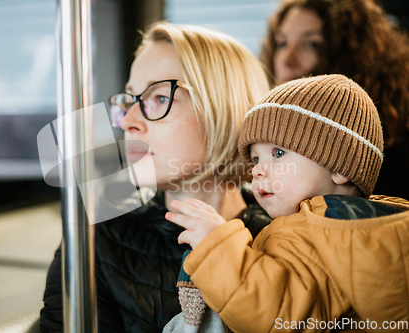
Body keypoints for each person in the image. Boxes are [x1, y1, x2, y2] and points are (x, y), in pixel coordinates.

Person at [40, 22, 272, 333]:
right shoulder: (96, 237)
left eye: (159, 98)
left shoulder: (290, 236)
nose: (129, 122)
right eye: (130, 100)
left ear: (223, 109)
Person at [165, 75, 409, 332]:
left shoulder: (326, 232)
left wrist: (216, 245)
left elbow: (273, 315)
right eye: (256, 159)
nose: (257, 171)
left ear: (339, 167)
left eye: (278, 153)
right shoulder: (343, 227)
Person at [260, 0, 409, 200]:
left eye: (311, 44)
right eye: (282, 43)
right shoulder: (264, 139)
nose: (287, 59)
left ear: (354, 55)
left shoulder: (389, 157)